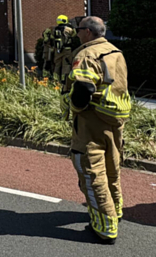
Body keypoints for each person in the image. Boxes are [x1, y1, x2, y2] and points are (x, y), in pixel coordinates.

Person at [67, 16, 131, 244]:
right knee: (112, 169)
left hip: (91, 122)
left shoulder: (87, 54)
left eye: (78, 30)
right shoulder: (115, 51)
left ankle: (105, 227)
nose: (76, 34)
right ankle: (117, 210)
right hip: (115, 121)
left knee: (92, 173)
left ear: (87, 32)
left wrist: (73, 107)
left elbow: (83, 87)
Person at [51, 15, 77, 83]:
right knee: (66, 64)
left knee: (57, 65)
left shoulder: (54, 30)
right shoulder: (68, 29)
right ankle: (64, 79)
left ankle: (55, 80)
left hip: (57, 50)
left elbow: (52, 38)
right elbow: (74, 35)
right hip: (67, 49)